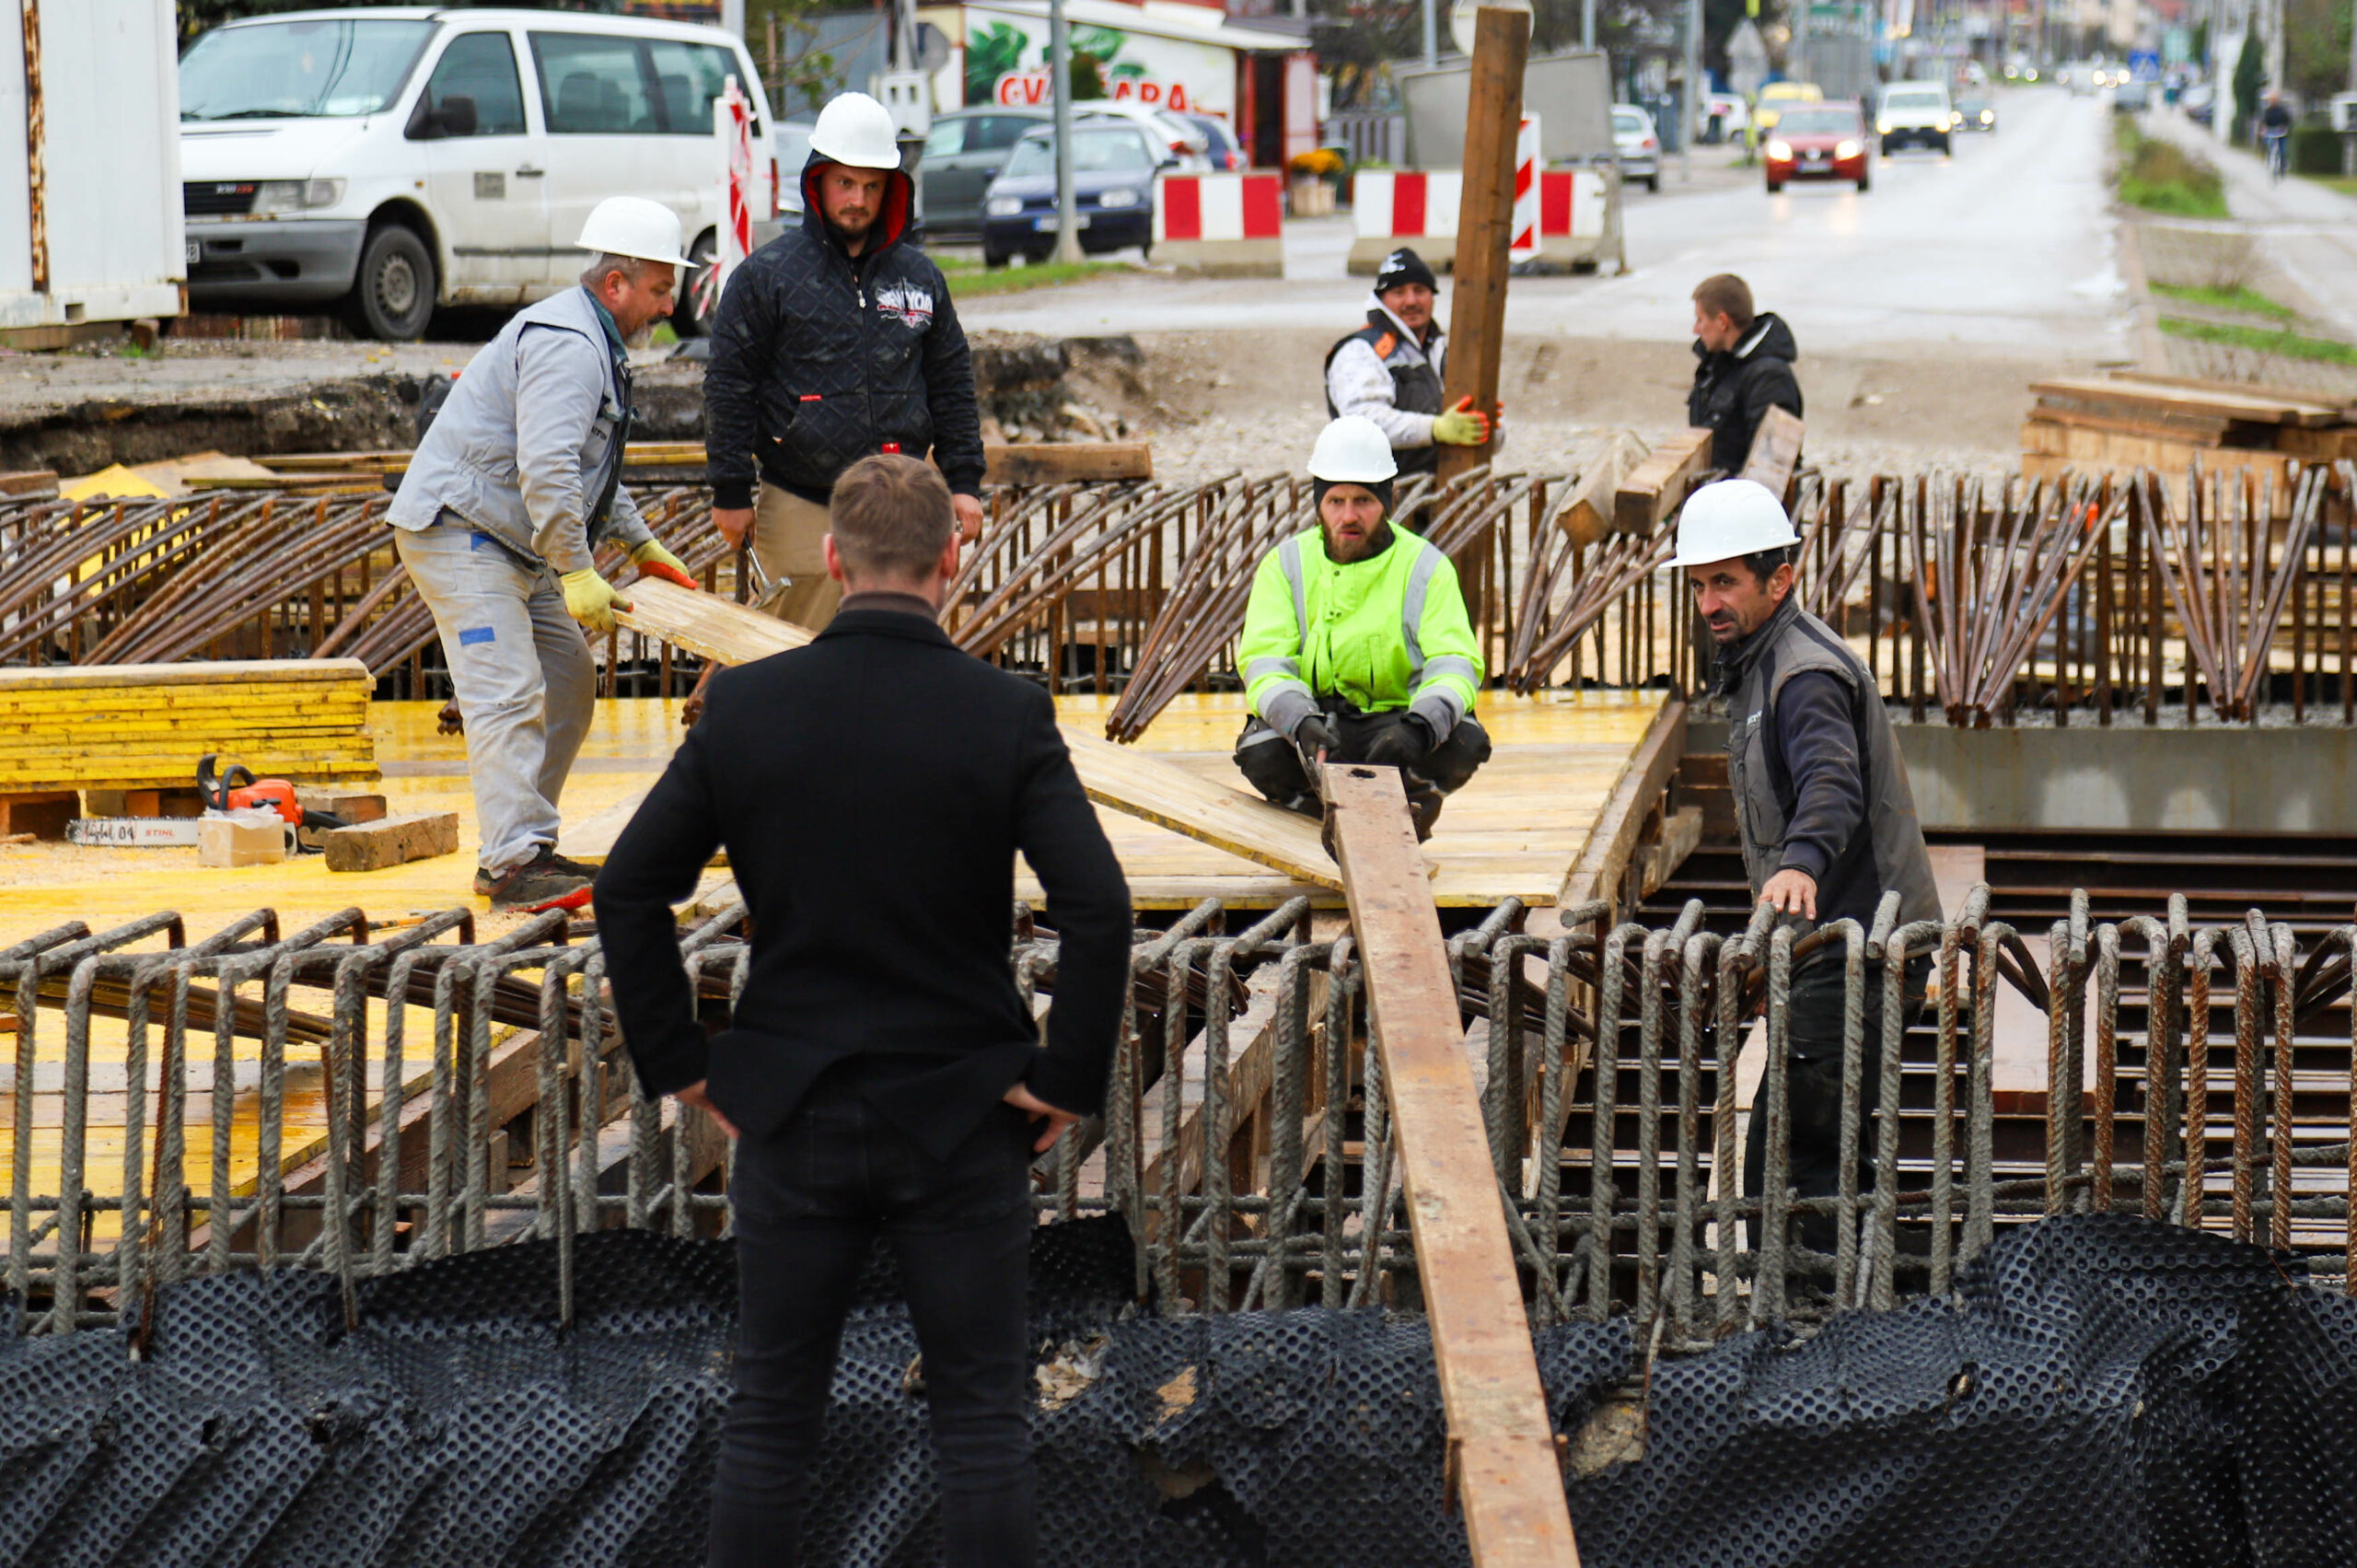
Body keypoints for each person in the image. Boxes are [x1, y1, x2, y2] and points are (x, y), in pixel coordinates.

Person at [595, 452, 1132, 1568]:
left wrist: (684, 1062)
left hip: (793, 1109)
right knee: (982, 1419)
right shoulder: (1004, 710)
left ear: (832, 559)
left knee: (773, 1415)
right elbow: (1097, 902)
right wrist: (1064, 1074)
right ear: (951, 559)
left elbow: (628, 886)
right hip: (961, 1113)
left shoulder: (746, 703)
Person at [386, 196, 697, 912]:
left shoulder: (598, 342)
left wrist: (639, 542)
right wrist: (578, 569)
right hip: (461, 530)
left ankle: (528, 841)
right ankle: (512, 861)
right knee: (507, 693)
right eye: (657, 289)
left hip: (506, 538)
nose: (667, 305)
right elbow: (549, 467)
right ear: (615, 283)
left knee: (567, 679)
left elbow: (591, 468)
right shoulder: (570, 344)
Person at [1672, 478, 1940, 1265]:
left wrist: (1800, 865)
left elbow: (1832, 782)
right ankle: (1833, 1310)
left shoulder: (1801, 675)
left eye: (1725, 581)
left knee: (1793, 1154)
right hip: (1830, 938)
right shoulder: (1761, 662)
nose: (1708, 602)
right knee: (1816, 1147)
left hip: (1861, 946)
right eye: (1699, 584)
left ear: (1779, 578)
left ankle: (1811, 1320)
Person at [704, 90, 987, 631]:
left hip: (900, 505)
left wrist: (964, 481)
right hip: (800, 501)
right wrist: (732, 489)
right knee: (791, 654)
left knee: (897, 659)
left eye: (872, 186)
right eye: (845, 183)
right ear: (817, 182)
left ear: (891, 190)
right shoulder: (766, 278)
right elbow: (729, 386)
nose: (857, 199)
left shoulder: (921, 280)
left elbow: (952, 383)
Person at [1233, 416, 1491, 840]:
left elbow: (1456, 664)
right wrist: (1300, 722)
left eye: (1363, 501)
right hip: (1318, 728)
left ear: (1387, 501)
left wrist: (1419, 727)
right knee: (1260, 751)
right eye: (1335, 501)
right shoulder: (1285, 566)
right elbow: (1264, 665)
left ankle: (1410, 813)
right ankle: (1317, 823)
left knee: (1465, 740)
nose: (1348, 516)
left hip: (1396, 729)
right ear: (1318, 503)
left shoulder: (1426, 567)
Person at [1324, 247, 1492, 476]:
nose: (1411, 301)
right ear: (1381, 299)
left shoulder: (1442, 351)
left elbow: (1482, 442)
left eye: (1419, 290)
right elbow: (1362, 424)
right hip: (1377, 495)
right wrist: (1434, 429)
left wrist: (1489, 427)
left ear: (1432, 296)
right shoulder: (1360, 351)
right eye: (1399, 292)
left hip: (1439, 491)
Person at [1687, 273, 1802, 475]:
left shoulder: (1770, 378)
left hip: (1742, 500)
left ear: (1722, 321)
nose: (1695, 330)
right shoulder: (1716, 367)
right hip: (1711, 490)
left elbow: (1773, 469)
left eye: (1700, 320)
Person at [2258, 90, 2293, 179]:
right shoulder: (2267, 111)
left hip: (2281, 133)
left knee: (2282, 150)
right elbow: (2263, 122)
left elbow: (2287, 121)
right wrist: (2263, 129)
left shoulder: (2282, 111)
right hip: (2271, 132)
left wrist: (2284, 127)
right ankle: (2268, 161)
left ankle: (2282, 167)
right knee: (2269, 145)